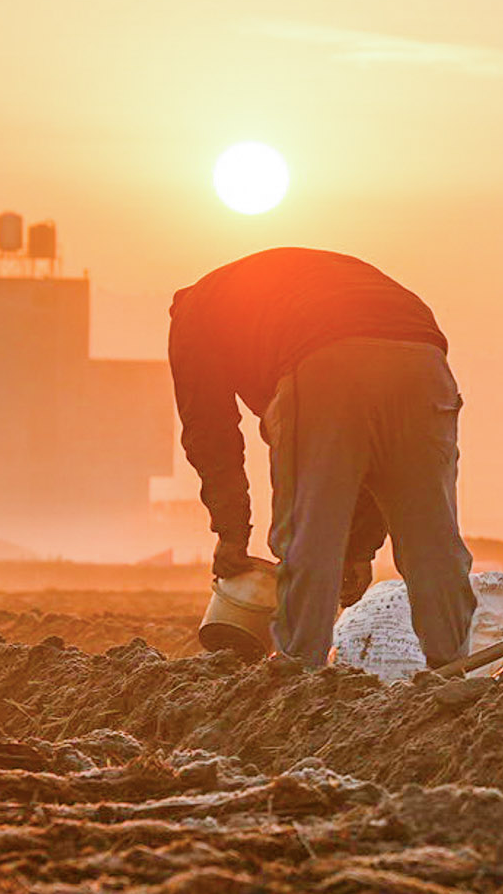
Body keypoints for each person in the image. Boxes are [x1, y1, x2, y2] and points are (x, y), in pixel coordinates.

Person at [170, 248, 476, 670]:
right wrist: (359, 549)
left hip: (323, 359)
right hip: (423, 360)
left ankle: (299, 674)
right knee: (432, 539)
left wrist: (231, 534)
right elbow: (375, 457)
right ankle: (453, 670)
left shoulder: (193, 315)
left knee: (309, 537)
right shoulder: (287, 288)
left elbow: (210, 432)